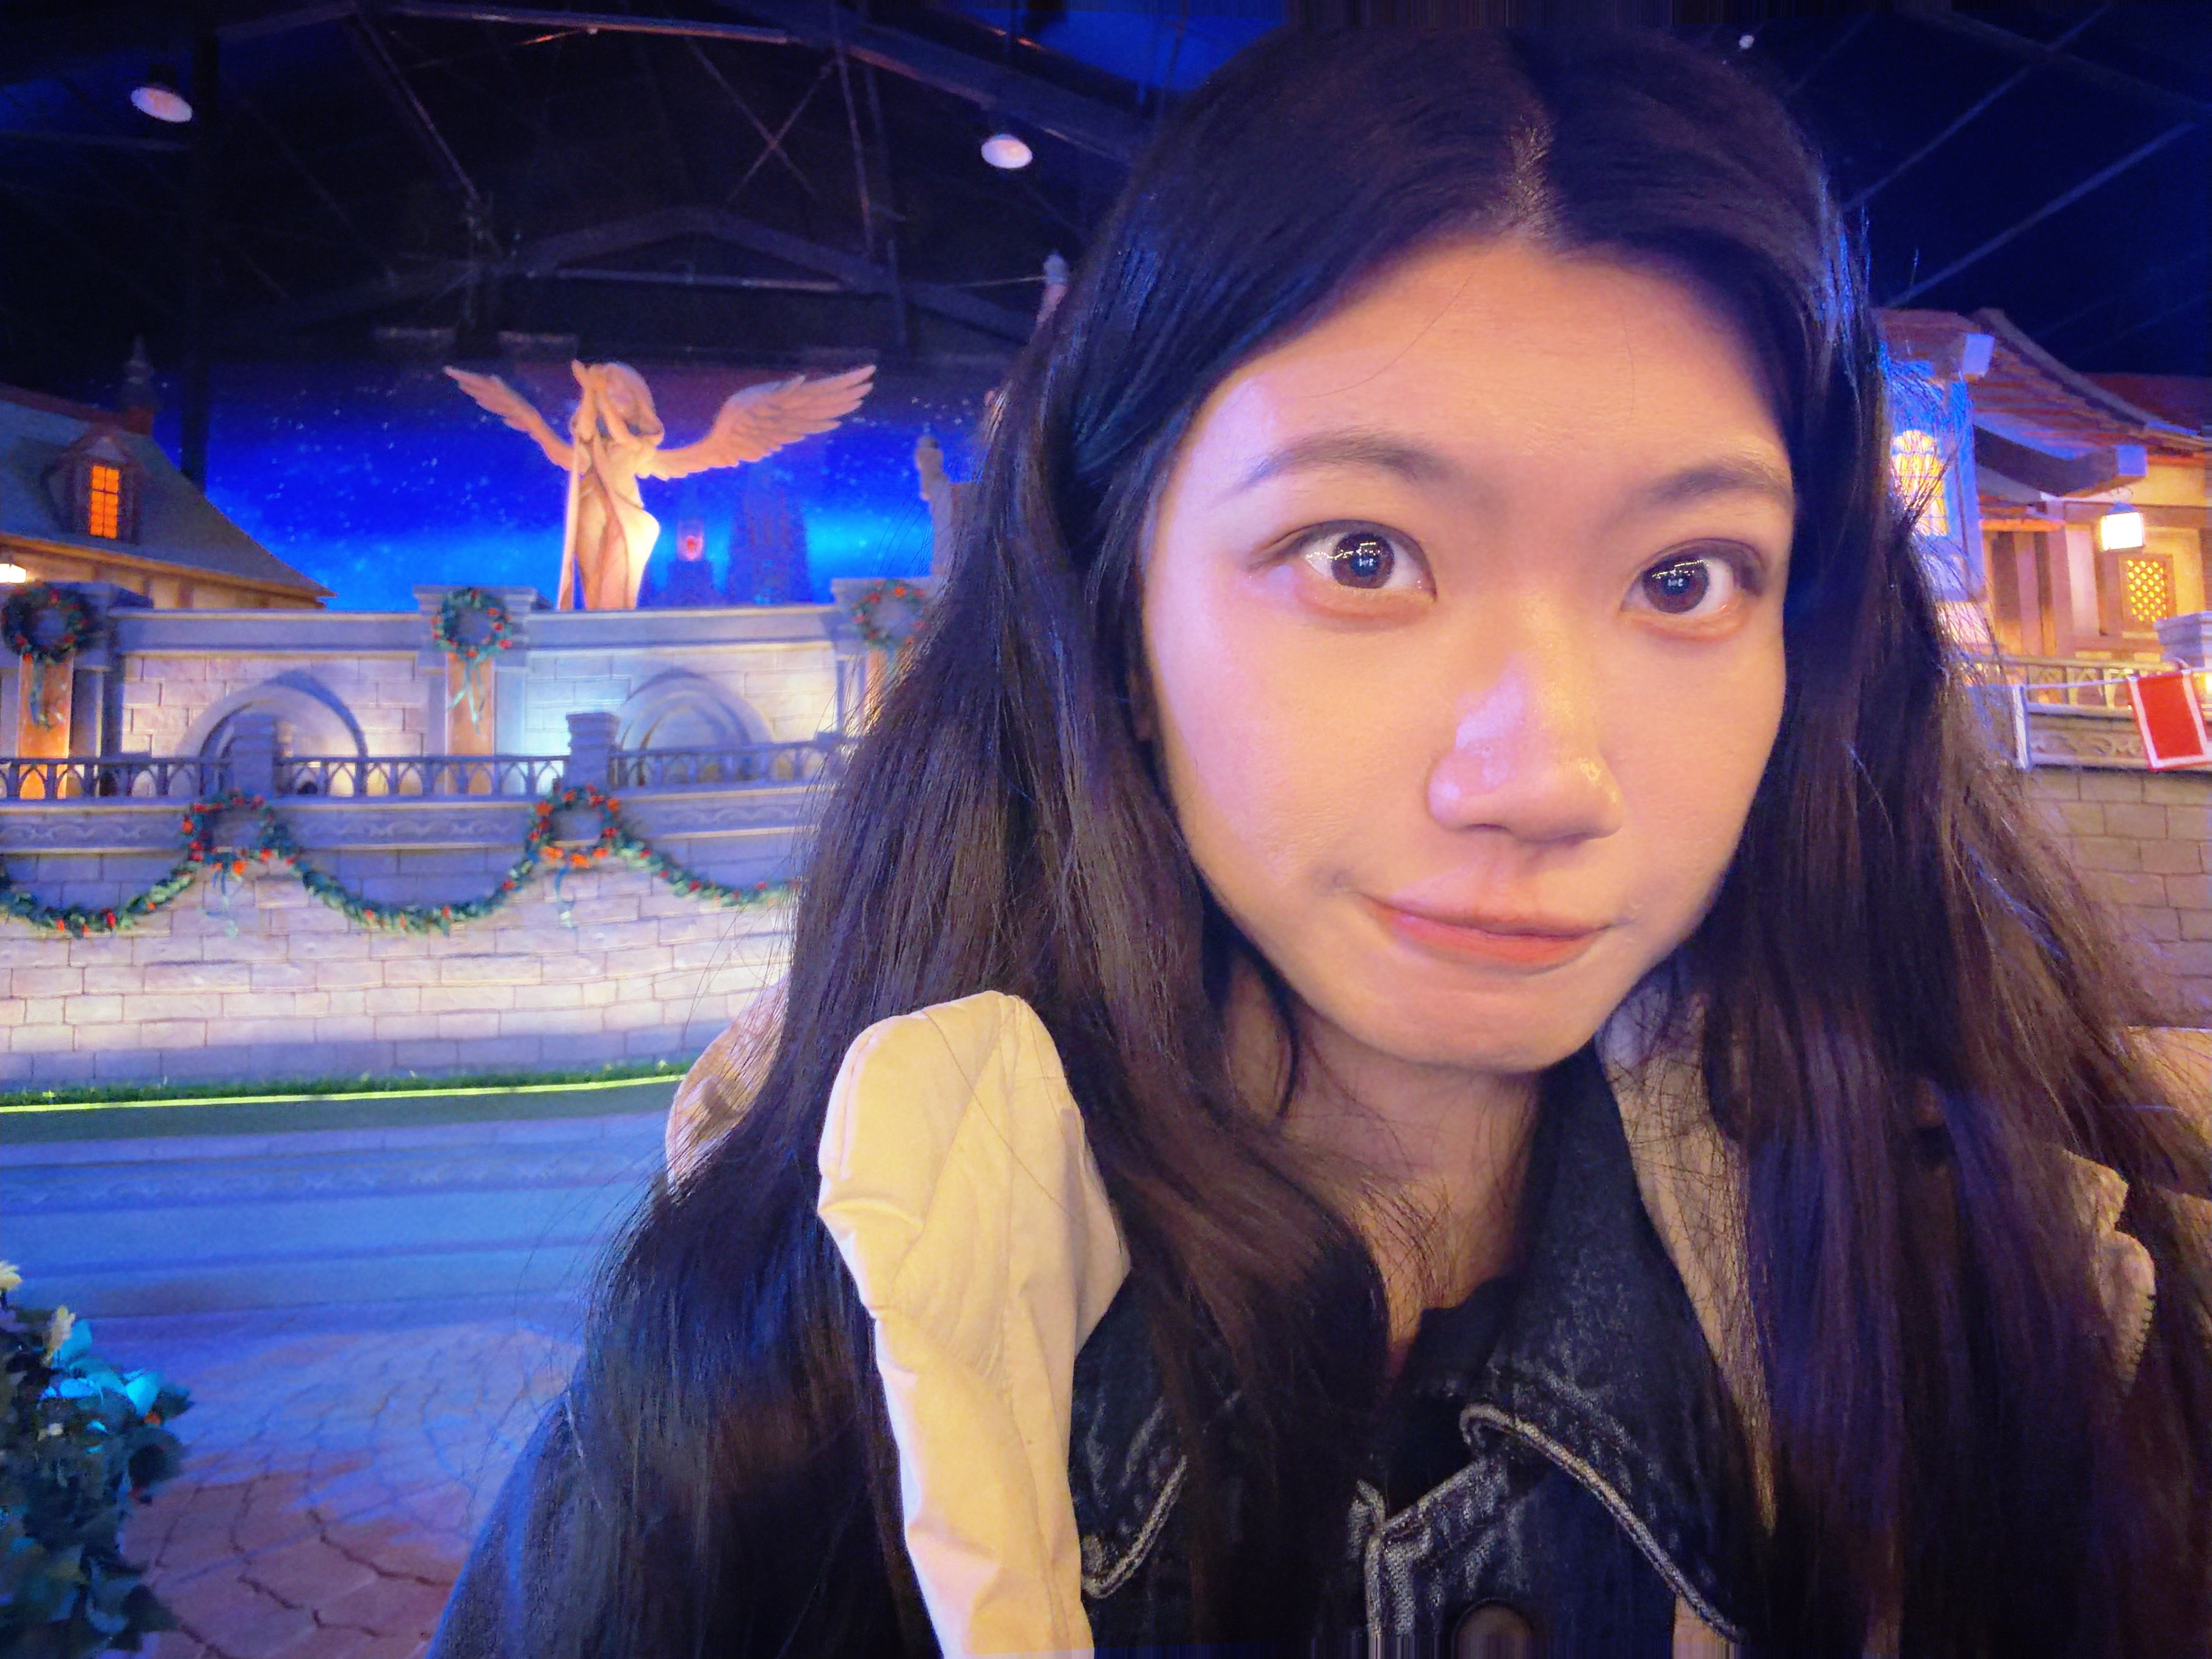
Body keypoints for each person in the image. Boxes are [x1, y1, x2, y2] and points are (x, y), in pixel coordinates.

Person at [429, 27, 2210, 1657]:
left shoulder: (2030, 1309)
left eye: (1685, 579)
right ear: (1115, 609)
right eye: (1364, 556)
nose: (1544, 778)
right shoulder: (771, 1363)